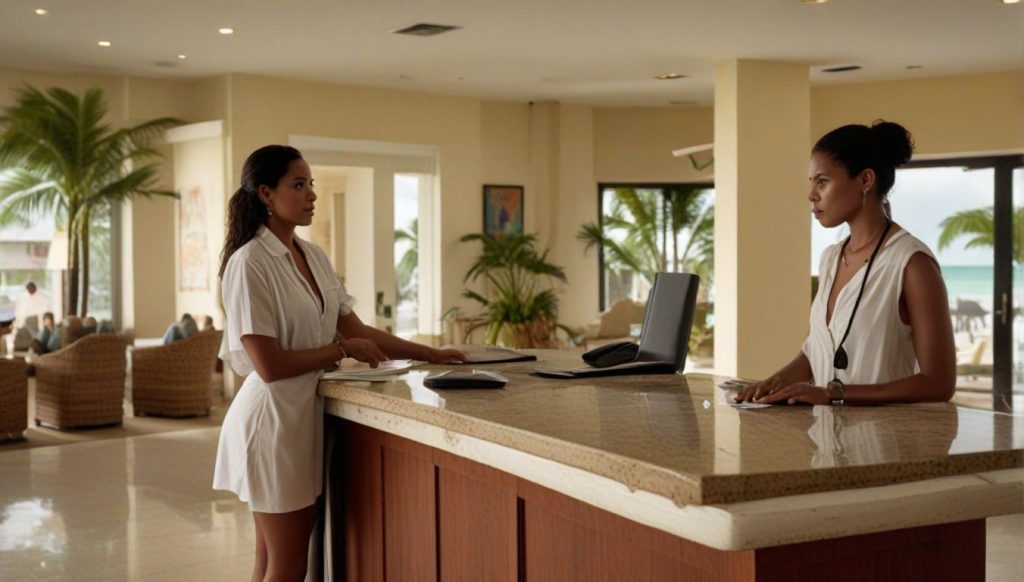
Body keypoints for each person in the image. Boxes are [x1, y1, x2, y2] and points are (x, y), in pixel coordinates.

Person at [213, 145, 466, 582]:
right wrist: (341, 350)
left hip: (298, 421)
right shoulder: (249, 263)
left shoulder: (313, 257)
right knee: (289, 564)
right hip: (271, 424)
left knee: (271, 561)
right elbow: (268, 365)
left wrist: (430, 352)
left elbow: (358, 330)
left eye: (310, 183)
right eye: (298, 185)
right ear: (266, 195)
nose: (311, 193)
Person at [736, 120, 955, 406]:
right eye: (812, 183)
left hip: (887, 446)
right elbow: (819, 349)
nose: (812, 195)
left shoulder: (912, 265)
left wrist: (833, 395)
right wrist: (773, 384)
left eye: (823, 182)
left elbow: (938, 383)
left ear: (865, 180)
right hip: (827, 444)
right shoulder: (830, 258)